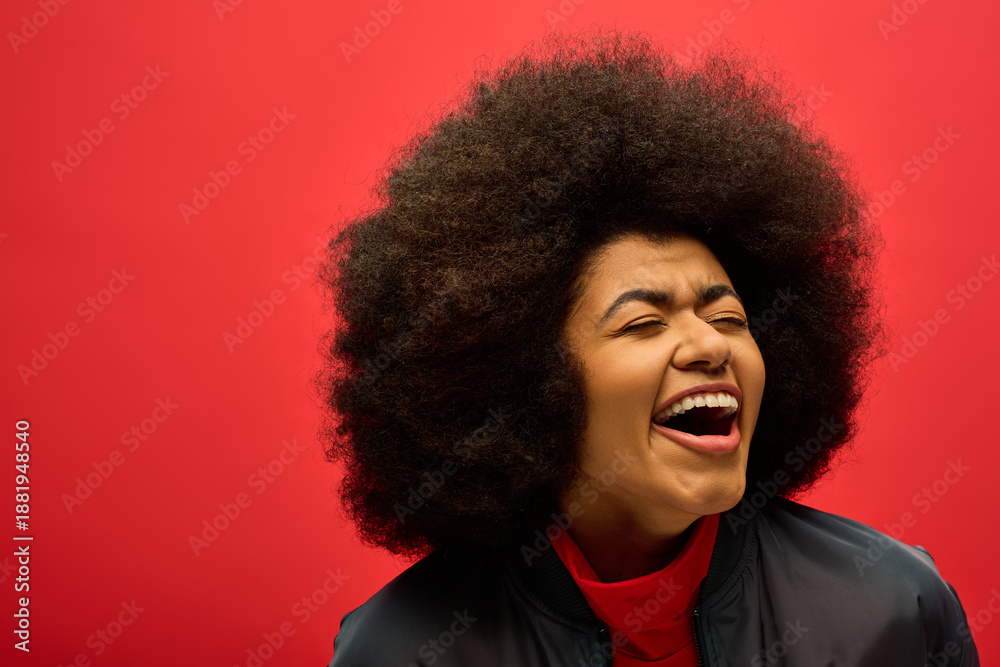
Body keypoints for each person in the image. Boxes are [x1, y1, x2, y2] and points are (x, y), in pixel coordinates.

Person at [316, 29, 979, 666]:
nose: (709, 344)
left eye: (729, 316)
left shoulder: (893, 610)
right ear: (527, 382)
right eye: (643, 324)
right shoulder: (407, 649)